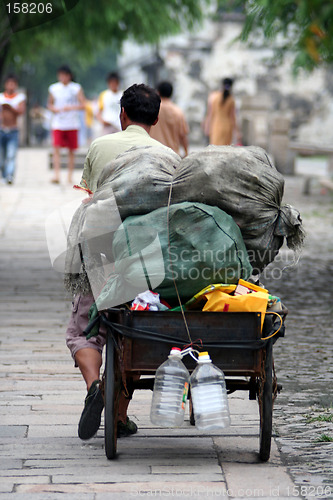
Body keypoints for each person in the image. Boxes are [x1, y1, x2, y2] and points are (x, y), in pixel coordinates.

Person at [67, 83, 172, 441]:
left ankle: (94, 385)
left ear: (122, 115)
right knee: (135, 330)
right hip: (145, 256)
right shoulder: (167, 156)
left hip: (101, 250)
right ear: (156, 119)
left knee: (83, 328)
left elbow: (92, 197)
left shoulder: (101, 146)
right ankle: (119, 416)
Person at [48, 65, 86, 184]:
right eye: (61, 75)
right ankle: (57, 175)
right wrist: (55, 109)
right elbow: (49, 104)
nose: (63, 77)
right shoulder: (53, 88)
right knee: (56, 149)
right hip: (58, 123)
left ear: (69, 76)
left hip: (72, 123)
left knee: (71, 151)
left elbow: (83, 104)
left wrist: (71, 107)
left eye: (65, 75)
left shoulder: (76, 88)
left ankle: (69, 175)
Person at [150, 81, 189, 156]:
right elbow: (183, 135)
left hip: (154, 154)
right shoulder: (178, 112)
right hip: (172, 155)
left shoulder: (152, 109)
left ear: (158, 92)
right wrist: (186, 153)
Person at [0, 74, 26, 184]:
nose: (11, 86)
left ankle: (10, 175)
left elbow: (21, 112)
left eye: (13, 84)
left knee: (11, 154)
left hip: (13, 130)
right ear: (5, 85)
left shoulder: (19, 98)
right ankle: (4, 174)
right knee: (1, 156)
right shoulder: (1, 97)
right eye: (9, 84)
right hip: (2, 129)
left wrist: (10, 108)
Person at [203, 77, 241, 146]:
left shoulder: (214, 97)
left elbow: (210, 114)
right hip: (227, 127)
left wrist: (207, 127)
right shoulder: (231, 100)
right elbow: (233, 117)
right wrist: (237, 132)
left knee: (215, 147)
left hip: (215, 126)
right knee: (225, 149)